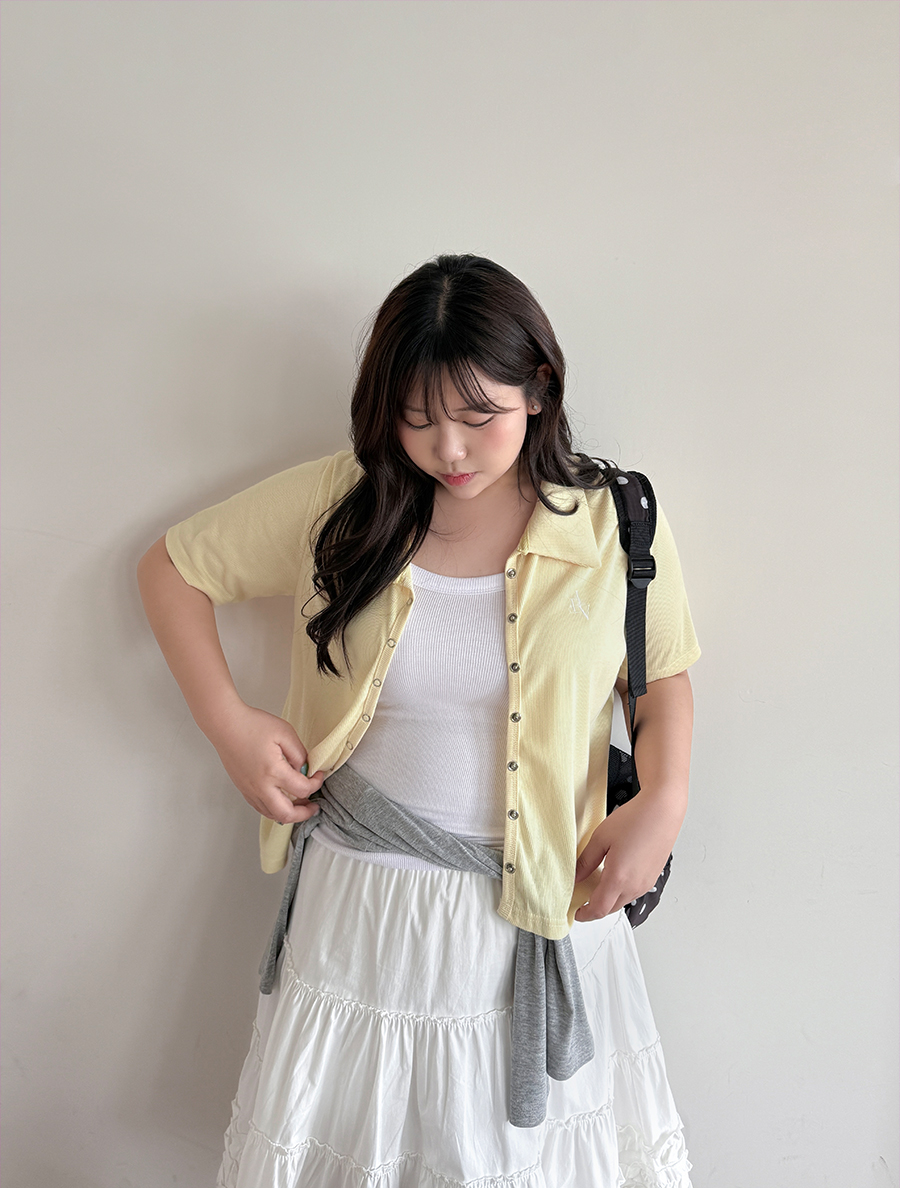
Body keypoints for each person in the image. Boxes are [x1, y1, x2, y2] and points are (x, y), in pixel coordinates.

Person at [137, 254, 700, 1187]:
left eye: (479, 417)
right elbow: (173, 569)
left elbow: (661, 672)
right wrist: (229, 723)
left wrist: (665, 801)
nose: (450, 450)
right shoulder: (342, 504)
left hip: (545, 904)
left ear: (539, 389)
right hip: (367, 911)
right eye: (418, 418)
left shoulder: (614, 523)